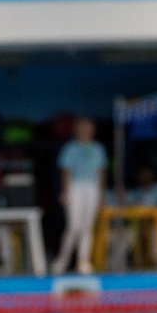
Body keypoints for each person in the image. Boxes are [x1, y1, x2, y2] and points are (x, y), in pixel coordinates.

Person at [54, 116, 107, 276]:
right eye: (82, 127)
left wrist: (100, 194)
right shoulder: (70, 148)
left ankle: (83, 260)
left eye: (88, 127)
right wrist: (66, 191)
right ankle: (62, 259)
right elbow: (66, 171)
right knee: (74, 225)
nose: (85, 130)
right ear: (76, 129)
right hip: (75, 187)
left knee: (88, 226)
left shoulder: (98, 148)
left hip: (92, 188)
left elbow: (100, 172)